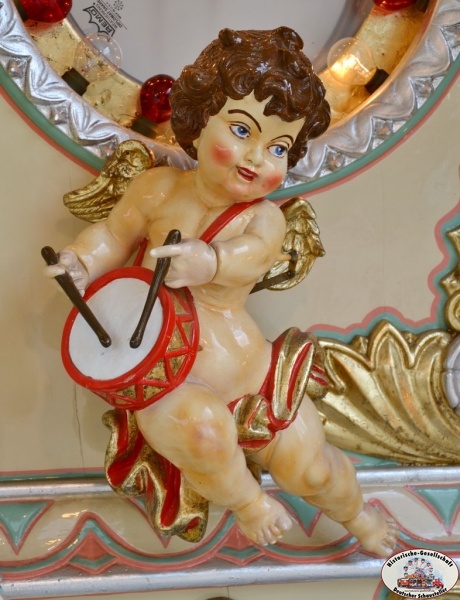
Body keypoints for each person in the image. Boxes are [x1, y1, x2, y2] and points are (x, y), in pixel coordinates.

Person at [46, 27, 397, 555]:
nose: (256, 157)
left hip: (247, 373)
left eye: (277, 147)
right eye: (240, 129)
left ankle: (361, 519)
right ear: (198, 118)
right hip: (168, 378)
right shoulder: (158, 189)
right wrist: (79, 262)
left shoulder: (263, 218)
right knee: (200, 432)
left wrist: (209, 261)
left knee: (312, 471)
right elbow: (112, 237)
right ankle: (249, 503)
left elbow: (251, 256)